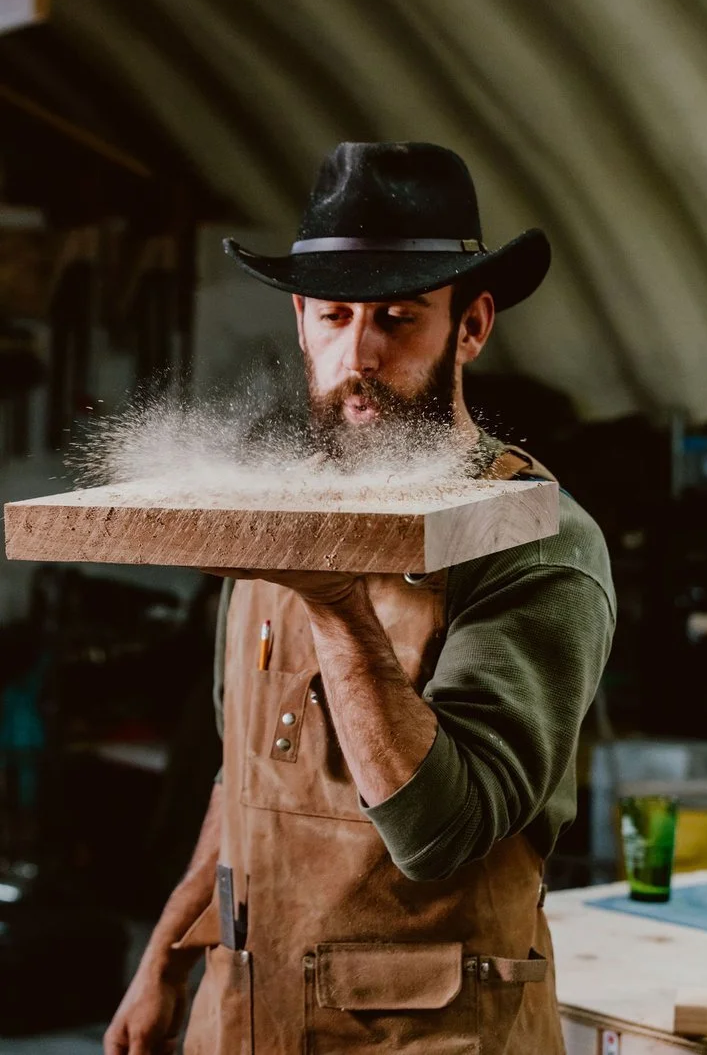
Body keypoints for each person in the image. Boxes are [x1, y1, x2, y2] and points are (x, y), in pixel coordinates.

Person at [104, 142, 615, 1055]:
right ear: (301, 318)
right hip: (247, 1023)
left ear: (472, 325)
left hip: (428, 1039)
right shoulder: (276, 515)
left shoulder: (537, 540)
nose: (360, 353)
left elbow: (442, 832)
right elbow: (246, 777)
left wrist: (336, 603)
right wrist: (167, 956)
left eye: (399, 318)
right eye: (335, 315)